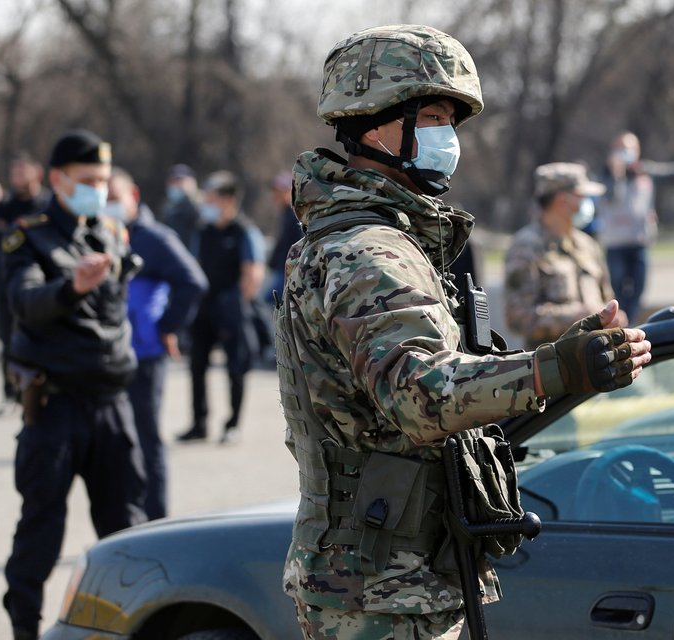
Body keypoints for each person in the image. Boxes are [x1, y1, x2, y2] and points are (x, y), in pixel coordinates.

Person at [277, 24, 651, 640]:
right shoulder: (370, 253)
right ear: (376, 125)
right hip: (378, 590)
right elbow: (425, 396)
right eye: (430, 116)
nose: (446, 138)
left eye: (450, 120)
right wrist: (557, 367)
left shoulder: (391, 242)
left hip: (403, 576)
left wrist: (569, 354)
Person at [0, 129, 147, 640]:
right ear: (57, 178)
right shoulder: (28, 234)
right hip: (56, 407)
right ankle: (24, 628)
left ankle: (133, 627)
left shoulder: (108, 230)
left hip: (111, 405)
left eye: (104, 182)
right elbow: (25, 304)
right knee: (41, 530)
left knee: (129, 531)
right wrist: (70, 287)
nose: (98, 191)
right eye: (88, 181)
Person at [106, 167, 208, 519]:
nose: (106, 207)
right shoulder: (100, 235)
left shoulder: (153, 238)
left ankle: (156, 521)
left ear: (132, 197)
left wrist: (166, 326)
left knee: (146, 441)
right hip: (108, 355)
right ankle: (127, 518)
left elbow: (193, 281)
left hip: (144, 355)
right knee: (115, 445)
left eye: (112, 200)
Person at [177, 170, 264, 444]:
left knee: (236, 367)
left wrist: (241, 302)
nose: (207, 204)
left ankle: (232, 424)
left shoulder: (244, 231)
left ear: (227, 200)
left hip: (231, 306)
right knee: (197, 364)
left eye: (211, 198)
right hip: (205, 305)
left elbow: (252, 270)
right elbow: (195, 264)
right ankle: (199, 422)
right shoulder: (204, 231)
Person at [505, 162, 628, 348]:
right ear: (562, 201)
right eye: (581, 196)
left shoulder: (588, 245)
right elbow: (517, 318)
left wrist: (614, 317)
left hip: (598, 360)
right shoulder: (525, 247)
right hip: (554, 366)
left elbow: (607, 298)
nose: (587, 203)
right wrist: (576, 316)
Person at [0, 153, 50, 406]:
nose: (17, 178)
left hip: (43, 285)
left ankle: (42, 387)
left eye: (22, 171)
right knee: (7, 337)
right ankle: (11, 391)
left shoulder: (48, 205)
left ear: (38, 173)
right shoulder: (3, 209)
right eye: (14, 173)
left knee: (41, 334)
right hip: (6, 284)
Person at [597, 131, 658, 322]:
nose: (626, 152)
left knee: (639, 289)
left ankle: (629, 322)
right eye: (621, 148)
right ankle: (620, 323)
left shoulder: (644, 175)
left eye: (630, 148)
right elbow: (611, 198)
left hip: (639, 240)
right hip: (616, 243)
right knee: (617, 290)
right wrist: (617, 173)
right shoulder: (606, 176)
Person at [266, 170, 304, 302]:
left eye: (279, 191)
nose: (275, 195)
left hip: (289, 272)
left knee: (269, 301)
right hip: (281, 269)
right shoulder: (285, 213)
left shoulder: (295, 214)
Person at [161, 163, 201, 250]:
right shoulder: (168, 207)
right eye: (172, 181)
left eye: (179, 181)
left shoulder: (199, 205)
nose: (175, 185)